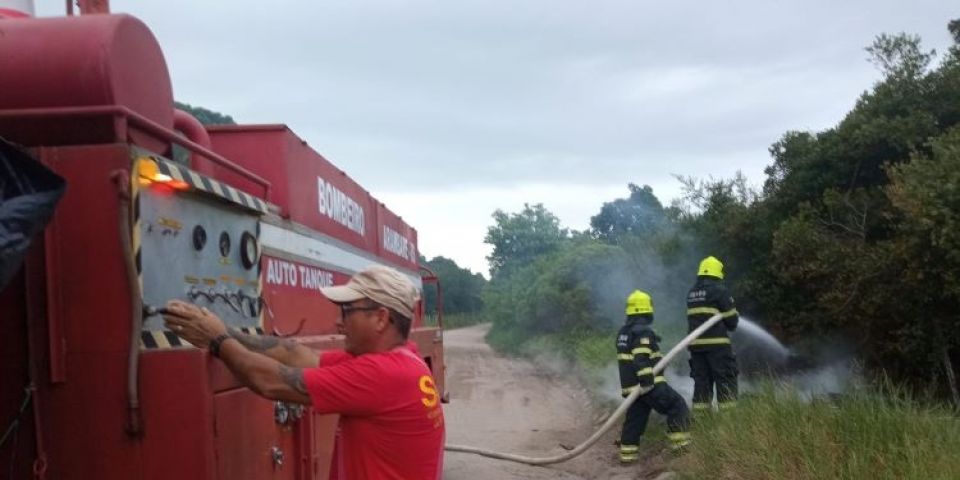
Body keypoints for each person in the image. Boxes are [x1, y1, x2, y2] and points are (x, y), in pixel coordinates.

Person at [162, 265, 445, 480]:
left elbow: (271, 382)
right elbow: (299, 356)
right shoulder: (403, 361)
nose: (339, 322)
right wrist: (226, 330)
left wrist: (217, 340)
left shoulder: (383, 374)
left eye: (347, 311)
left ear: (381, 318)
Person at [616, 290, 691, 462]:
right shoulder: (643, 332)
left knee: (635, 421)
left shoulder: (624, 333)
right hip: (648, 385)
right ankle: (680, 450)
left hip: (632, 388)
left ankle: (628, 456)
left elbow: (633, 353)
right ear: (647, 310)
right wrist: (647, 382)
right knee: (677, 406)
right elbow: (640, 358)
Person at [686, 256, 740, 412]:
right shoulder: (719, 291)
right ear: (717, 273)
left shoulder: (692, 293)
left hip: (696, 347)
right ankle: (729, 417)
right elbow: (732, 322)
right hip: (718, 348)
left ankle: (702, 419)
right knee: (726, 379)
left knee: (702, 383)